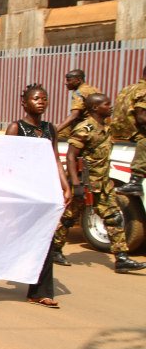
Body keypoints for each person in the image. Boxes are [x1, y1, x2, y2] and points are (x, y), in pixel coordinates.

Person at [0, 84, 72, 304]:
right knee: (15, 235)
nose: (41, 102)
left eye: (44, 98)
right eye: (36, 98)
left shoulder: (50, 129)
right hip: (21, 193)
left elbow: (55, 159)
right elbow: (6, 162)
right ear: (24, 103)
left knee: (44, 237)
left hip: (43, 191)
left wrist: (65, 186)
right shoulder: (16, 128)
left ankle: (40, 292)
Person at [58, 93, 146, 273]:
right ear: (95, 108)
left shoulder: (106, 127)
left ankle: (121, 258)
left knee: (114, 217)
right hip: (85, 183)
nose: (110, 106)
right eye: (106, 104)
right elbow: (71, 156)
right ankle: (54, 249)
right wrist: (76, 184)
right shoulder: (85, 129)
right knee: (68, 218)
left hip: (102, 184)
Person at [111, 66, 146, 196]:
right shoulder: (144, 90)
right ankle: (136, 181)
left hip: (121, 133)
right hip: (136, 133)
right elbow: (142, 118)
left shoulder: (128, 88)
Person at [55, 69, 99, 138]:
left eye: (69, 80)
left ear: (78, 80)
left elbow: (74, 115)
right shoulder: (93, 89)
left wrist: (55, 131)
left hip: (87, 124)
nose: (66, 83)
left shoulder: (79, 92)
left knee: (59, 133)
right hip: (98, 123)